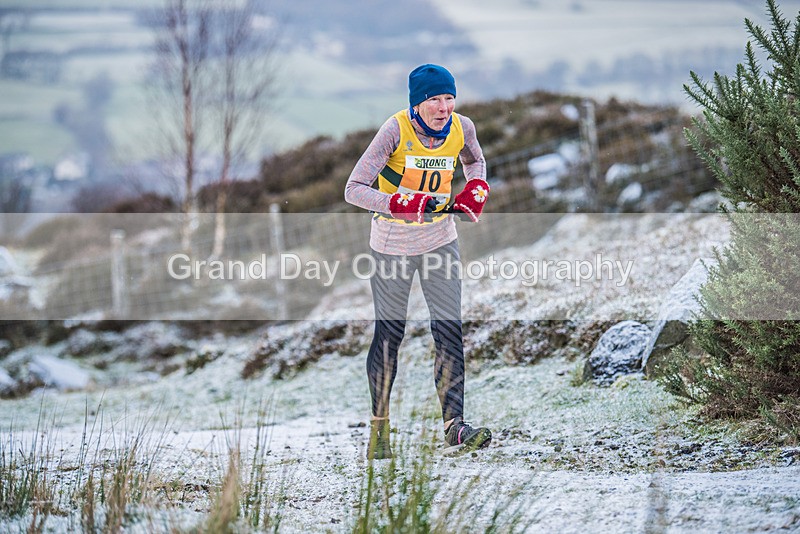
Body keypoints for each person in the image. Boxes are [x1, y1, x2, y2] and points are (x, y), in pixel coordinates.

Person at [344, 64, 492, 459]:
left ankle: (454, 426)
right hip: (392, 244)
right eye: (434, 100)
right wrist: (397, 203)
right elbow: (353, 189)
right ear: (417, 103)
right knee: (391, 335)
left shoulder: (463, 127)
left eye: (449, 98)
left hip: (440, 240)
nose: (444, 108)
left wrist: (476, 185)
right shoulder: (395, 130)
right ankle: (379, 430)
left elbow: (474, 161)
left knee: (448, 329)